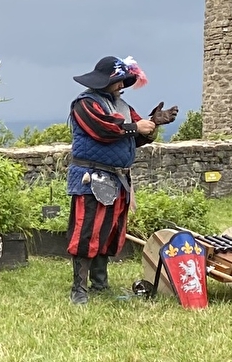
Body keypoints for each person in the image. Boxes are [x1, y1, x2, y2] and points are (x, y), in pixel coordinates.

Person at [65, 56, 177, 304]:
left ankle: (99, 283)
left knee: (108, 232)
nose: (121, 86)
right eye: (117, 81)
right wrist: (137, 127)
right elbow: (105, 129)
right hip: (91, 177)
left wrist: (153, 123)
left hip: (117, 179)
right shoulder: (84, 104)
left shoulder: (123, 106)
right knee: (87, 231)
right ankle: (79, 290)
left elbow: (135, 137)